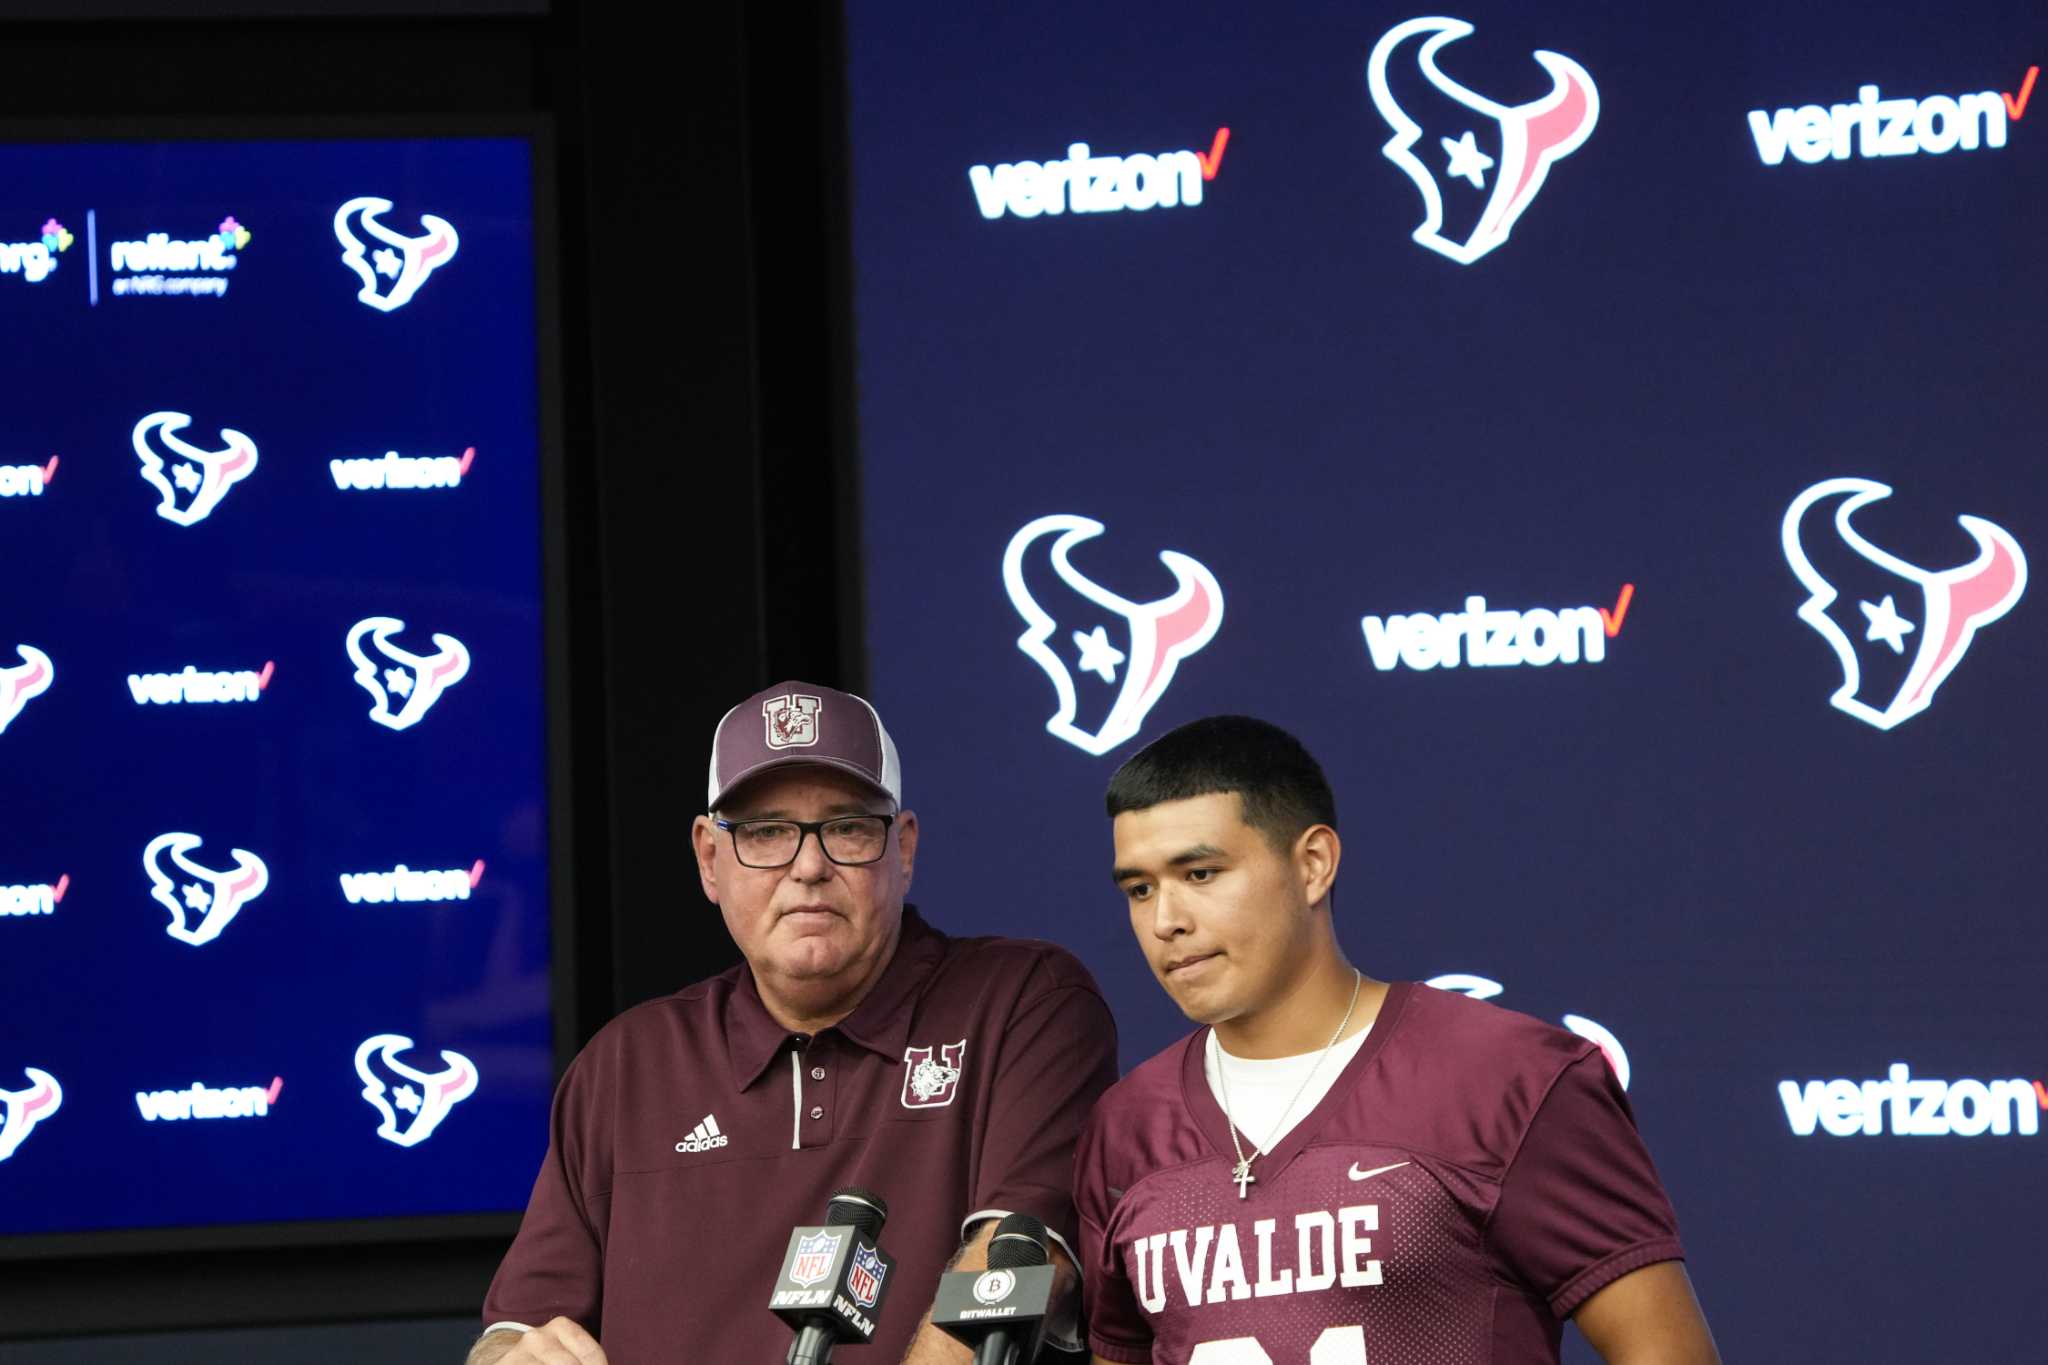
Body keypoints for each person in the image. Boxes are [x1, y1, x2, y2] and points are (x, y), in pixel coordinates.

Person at [474, 681, 1118, 1364]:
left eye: (846, 826)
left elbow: (1013, 1262)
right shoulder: (625, 1064)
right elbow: (510, 1333)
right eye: (766, 831)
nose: (809, 866)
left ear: (903, 848)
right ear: (708, 857)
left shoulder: (1023, 1000)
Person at [1073, 716, 1719, 1365]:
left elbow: (1665, 1350)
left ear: (1313, 863)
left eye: (1202, 873)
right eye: (1140, 888)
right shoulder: (1126, 1125)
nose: (1166, 921)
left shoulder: (1508, 1074)